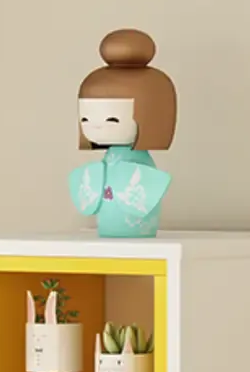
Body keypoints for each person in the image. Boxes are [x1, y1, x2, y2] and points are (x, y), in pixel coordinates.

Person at [69, 30, 177, 239]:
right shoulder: (108, 159)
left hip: (137, 232)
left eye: (112, 119)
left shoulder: (140, 162)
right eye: (85, 119)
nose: (95, 126)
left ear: (149, 114)